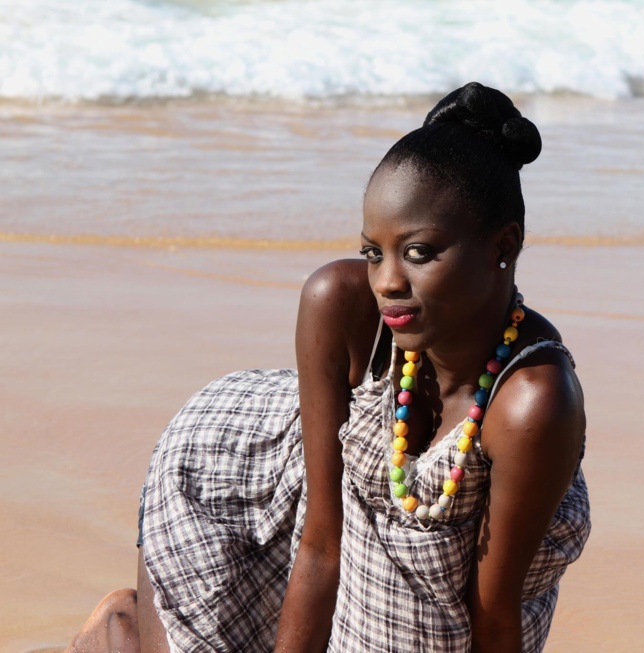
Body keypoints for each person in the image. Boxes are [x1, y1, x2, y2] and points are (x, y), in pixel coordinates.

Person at [65, 81, 590, 653]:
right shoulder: (344, 306)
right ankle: (125, 628)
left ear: (502, 247)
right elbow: (321, 544)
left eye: (418, 252)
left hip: (425, 602)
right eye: (374, 252)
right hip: (239, 488)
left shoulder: (531, 402)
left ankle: (124, 627)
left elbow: (493, 617)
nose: (388, 280)